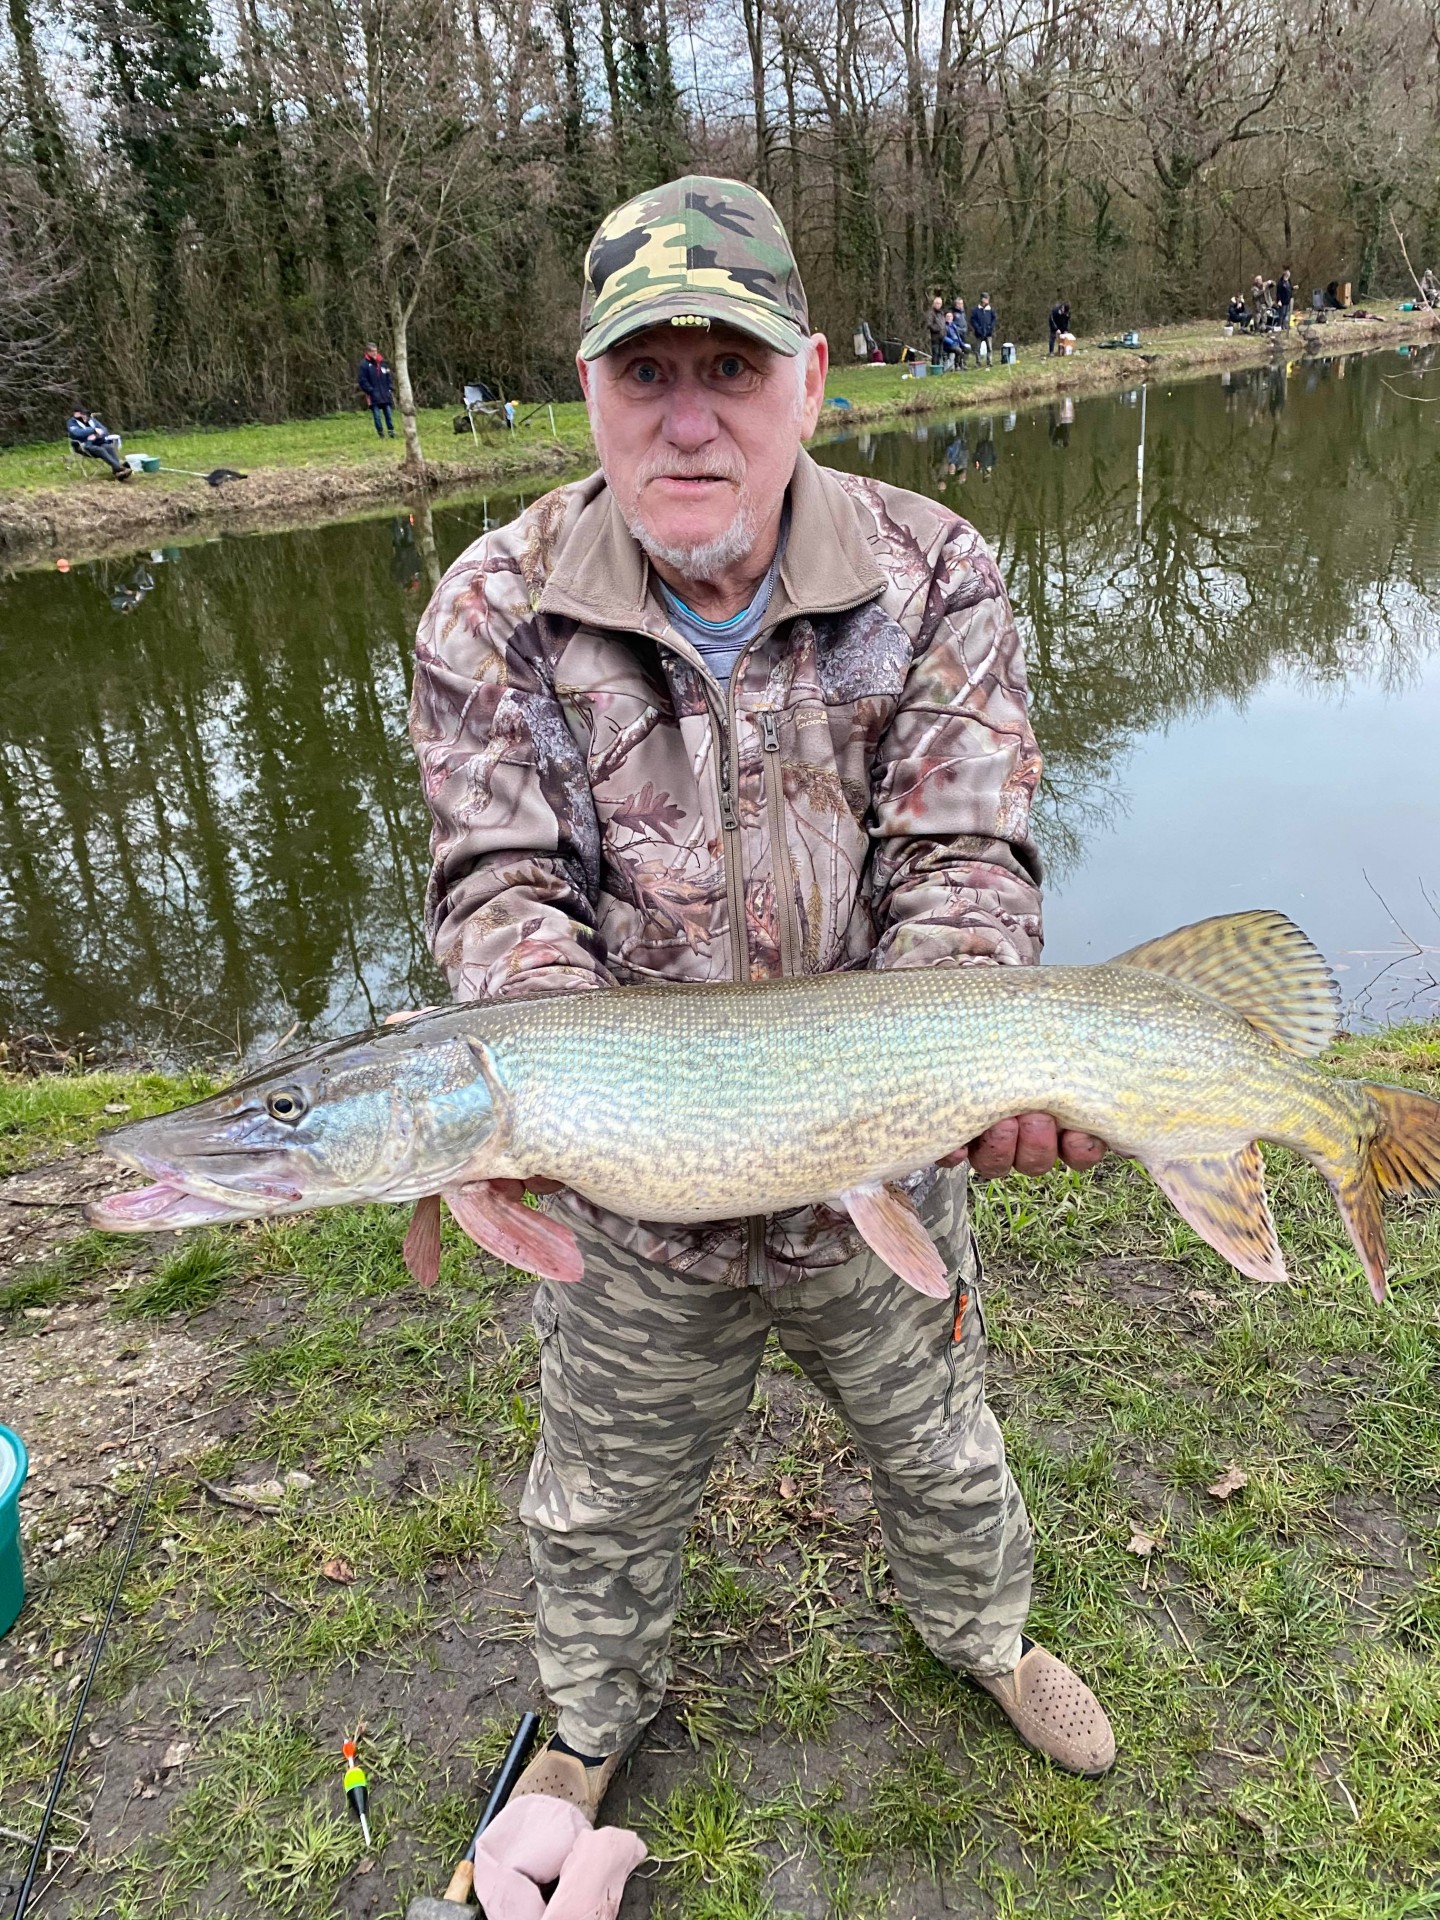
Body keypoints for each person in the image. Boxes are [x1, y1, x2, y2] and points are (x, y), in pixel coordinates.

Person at [410, 174, 1117, 1824]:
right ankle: (587, 1727)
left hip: (879, 1137)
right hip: (633, 1192)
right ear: (586, 389)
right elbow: (503, 885)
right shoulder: (493, 608)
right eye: (642, 373)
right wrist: (527, 1093)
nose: (687, 421)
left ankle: (987, 1634)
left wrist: (971, 1055)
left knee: (943, 1444)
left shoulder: (935, 572)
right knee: (596, 1495)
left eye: (726, 369)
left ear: (809, 376)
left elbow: (966, 850)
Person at [66, 408, 130, 479]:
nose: (83, 416)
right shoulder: (72, 423)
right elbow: (77, 433)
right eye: (81, 414)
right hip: (82, 446)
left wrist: (95, 435)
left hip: (97, 442)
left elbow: (104, 430)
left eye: (84, 414)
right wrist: (93, 430)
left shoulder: (92, 420)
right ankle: (118, 467)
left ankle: (118, 471)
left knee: (108, 447)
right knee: (100, 450)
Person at [357, 342, 396, 438]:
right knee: (377, 416)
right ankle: (381, 433)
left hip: (385, 393)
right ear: (368, 352)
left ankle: (391, 431)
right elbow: (362, 380)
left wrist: (390, 387)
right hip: (373, 395)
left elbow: (388, 376)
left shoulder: (382, 362)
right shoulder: (364, 365)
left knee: (388, 414)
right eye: (372, 351)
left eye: (375, 351)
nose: (375, 353)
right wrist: (370, 390)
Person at [970, 291, 996, 365]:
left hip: (988, 332)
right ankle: (978, 362)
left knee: (989, 348)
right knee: (978, 348)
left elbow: (994, 319)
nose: (988, 300)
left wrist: (991, 327)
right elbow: (973, 320)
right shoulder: (976, 310)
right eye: (986, 298)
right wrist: (978, 328)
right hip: (979, 332)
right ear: (982, 299)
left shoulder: (990, 309)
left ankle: (989, 361)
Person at [927, 294, 946, 367]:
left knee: (940, 353)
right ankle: (934, 367)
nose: (939, 305)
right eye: (937, 303)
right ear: (934, 304)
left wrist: (944, 331)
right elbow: (929, 324)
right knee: (935, 352)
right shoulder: (931, 313)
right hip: (935, 336)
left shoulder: (941, 313)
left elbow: (943, 323)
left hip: (942, 336)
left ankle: (939, 367)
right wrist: (938, 329)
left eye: (940, 303)